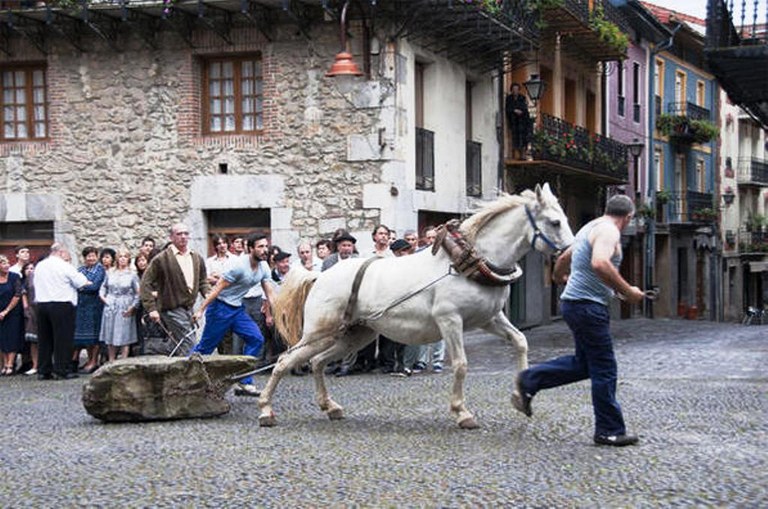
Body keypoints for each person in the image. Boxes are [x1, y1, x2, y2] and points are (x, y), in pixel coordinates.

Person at [512, 195, 644, 447]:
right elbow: (600, 263)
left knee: (585, 364)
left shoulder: (590, 227)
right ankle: (609, 430)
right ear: (628, 217)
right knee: (605, 369)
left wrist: (561, 278)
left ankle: (530, 379)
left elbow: (563, 259)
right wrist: (628, 292)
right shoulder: (609, 231)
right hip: (588, 307)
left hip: (575, 304)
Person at [191, 234, 277, 396]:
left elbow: (270, 293)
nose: (265, 250)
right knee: (205, 348)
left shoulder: (264, 266)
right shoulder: (238, 266)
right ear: (250, 248)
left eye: (266, 246)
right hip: (220, 309)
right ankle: (184, 377)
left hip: (237, 310)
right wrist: (201, 310)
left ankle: (243, 381)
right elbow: (217, 288)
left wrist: (280, 310)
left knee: (256, 338)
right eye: (260, 247)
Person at [140, 223, 210, 356]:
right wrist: (152, 308)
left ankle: (174, 365)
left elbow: (202, 281)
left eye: (186, 233)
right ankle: (191, 371)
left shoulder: (196, 257)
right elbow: (145, 284)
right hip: (171, 308)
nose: (183, 237)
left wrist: (207, 294)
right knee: (189, 340)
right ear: (171, 237)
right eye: (179, 234)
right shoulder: (161, 259)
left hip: (189, 308)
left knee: (181, 341)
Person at [34, 243, 90, 380]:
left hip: (41, 304)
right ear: (61, 253)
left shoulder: (40, 265)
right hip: (61, 304)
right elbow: (81, 282)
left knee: (44, 338)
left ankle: (44, 369)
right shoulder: (64, 266)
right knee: (63, 339)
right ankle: (62, 369)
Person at [99, 248, 140, 362]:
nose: (122, 259)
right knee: (110, 332)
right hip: (111, 303)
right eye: (120, 256)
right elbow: (103, 287)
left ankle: (123, 361)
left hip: (125, 303)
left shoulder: (132, 275)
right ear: (116, 258)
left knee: (124, 334)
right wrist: (104, 299)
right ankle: (111, 360)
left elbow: (138, 293)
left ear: (128, 259)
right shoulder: (110, 272)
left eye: (125, 256)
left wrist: (132, 307)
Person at [73, 246, 106, 374]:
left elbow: (95, 286)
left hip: (95, 305)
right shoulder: (80, 269)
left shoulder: (100, 270)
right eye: (88, 256)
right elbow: (74, 283)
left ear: (97, 256)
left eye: (93, 255)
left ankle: (94, 361)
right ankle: (88, 359)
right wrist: (85, 284)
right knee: (84, 336)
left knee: (94, 334)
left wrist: (83, 286)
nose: (91, 258)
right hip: (81, 305)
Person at [0, 255, 24, 375]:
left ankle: (10, 364)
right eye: (4, 263)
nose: (7, 265)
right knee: (2, 339)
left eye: (7, 263)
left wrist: (6, 310)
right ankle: (4, 363)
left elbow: (17, 294)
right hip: (0, 313)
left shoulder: (14, 277)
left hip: (12, 312)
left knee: (12, 338)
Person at [505, 83, 531, 160]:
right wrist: (514, 110)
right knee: (515, 137)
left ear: (519, 90)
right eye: (513, 89)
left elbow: (525, 109)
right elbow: (508, 109)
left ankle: (523, 154)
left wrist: (521, 111)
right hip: (513, 121)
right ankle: (515, 154)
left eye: (516, 89)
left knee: (523, 137)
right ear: (511, 90)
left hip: (522, 121)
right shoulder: (509, 98)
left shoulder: (522, 98)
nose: (515, 91)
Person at [21, 262, 38, 375]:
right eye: (28, 268)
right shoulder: (28, 280)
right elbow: (24, 293)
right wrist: (26, 308)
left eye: (32, 268)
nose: (30, 270)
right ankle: (35, 364)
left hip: (43, 309)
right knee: (33, 340)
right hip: (32, 311)